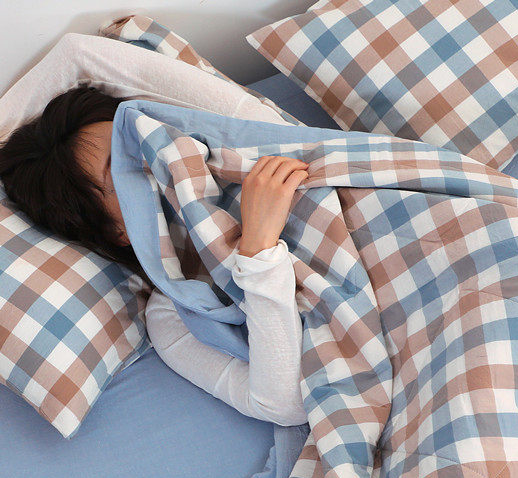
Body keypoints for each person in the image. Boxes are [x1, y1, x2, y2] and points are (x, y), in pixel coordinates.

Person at [0, 86, 308, 426]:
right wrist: (258, 250)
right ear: (116, 231)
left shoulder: (245, 150)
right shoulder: (175, 315)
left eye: (140, 139)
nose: (156, 156)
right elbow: (281, 404)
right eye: (123, 168)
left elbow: (80, 56)